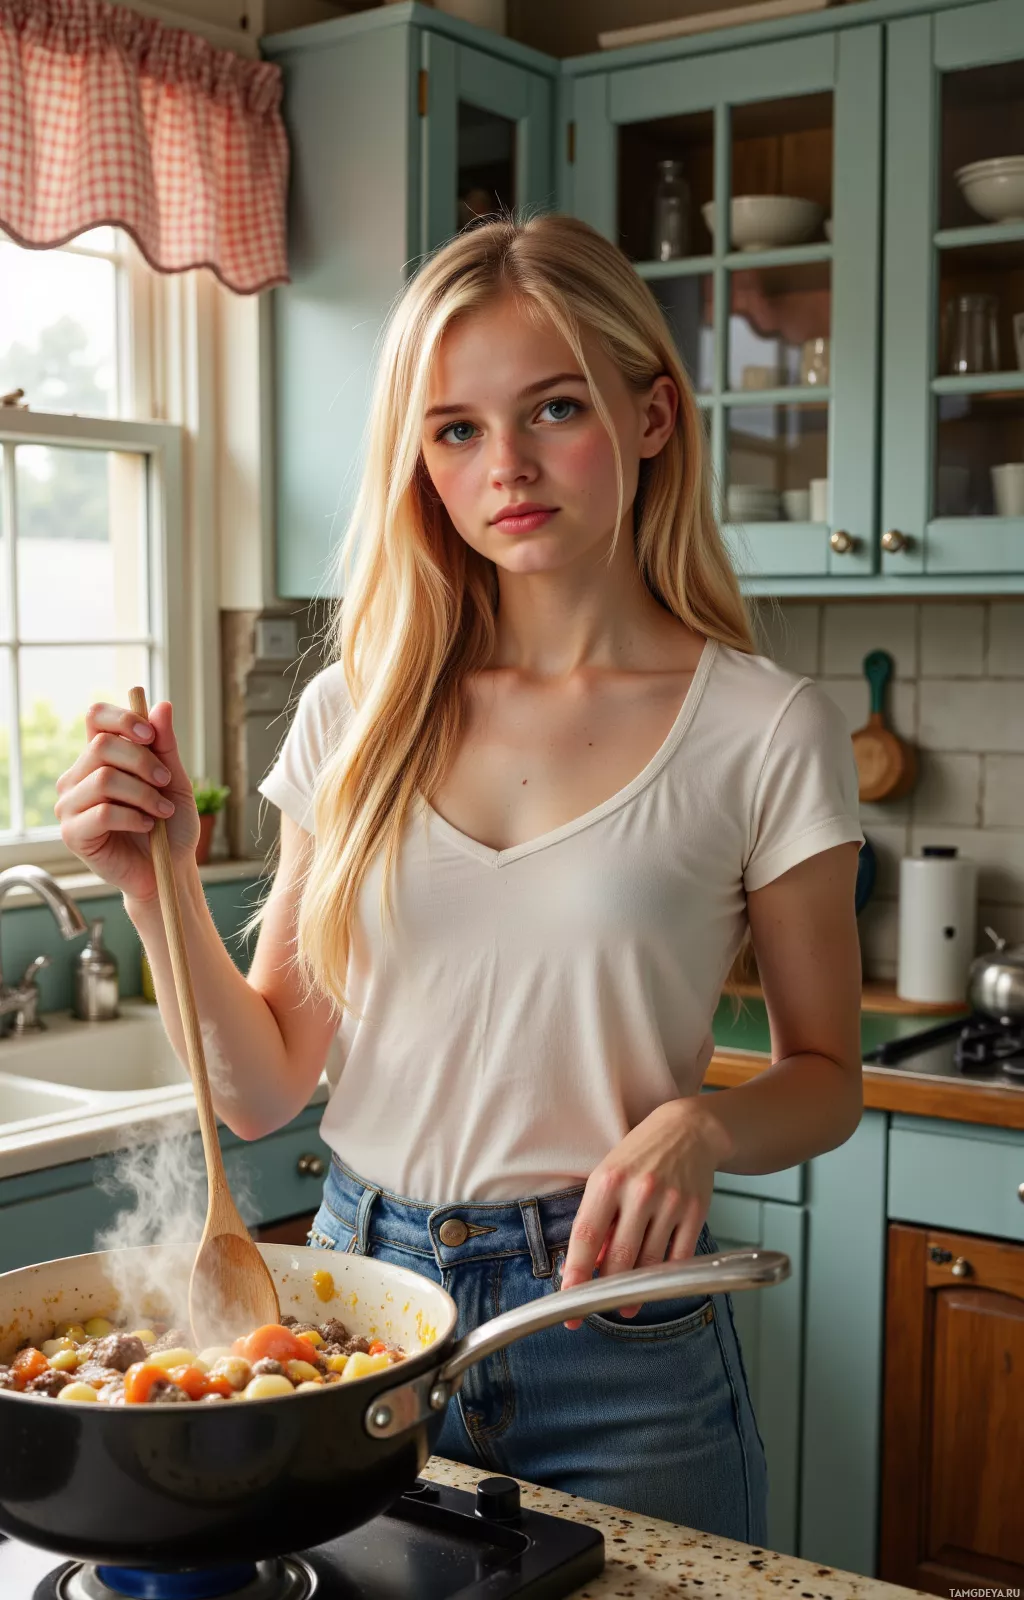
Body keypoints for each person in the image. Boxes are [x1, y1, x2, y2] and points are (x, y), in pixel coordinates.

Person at [56, 213, 864, 1543]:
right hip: (359, 1309)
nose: (508, 468)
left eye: (554, 408)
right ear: (419, 459)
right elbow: (261, 1089)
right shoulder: (351, 714)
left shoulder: (765, 728)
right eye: (456, 430)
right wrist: (157, 888)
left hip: (615, 1323)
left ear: (654, 416)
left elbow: (826, 1074)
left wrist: (704, 1124)